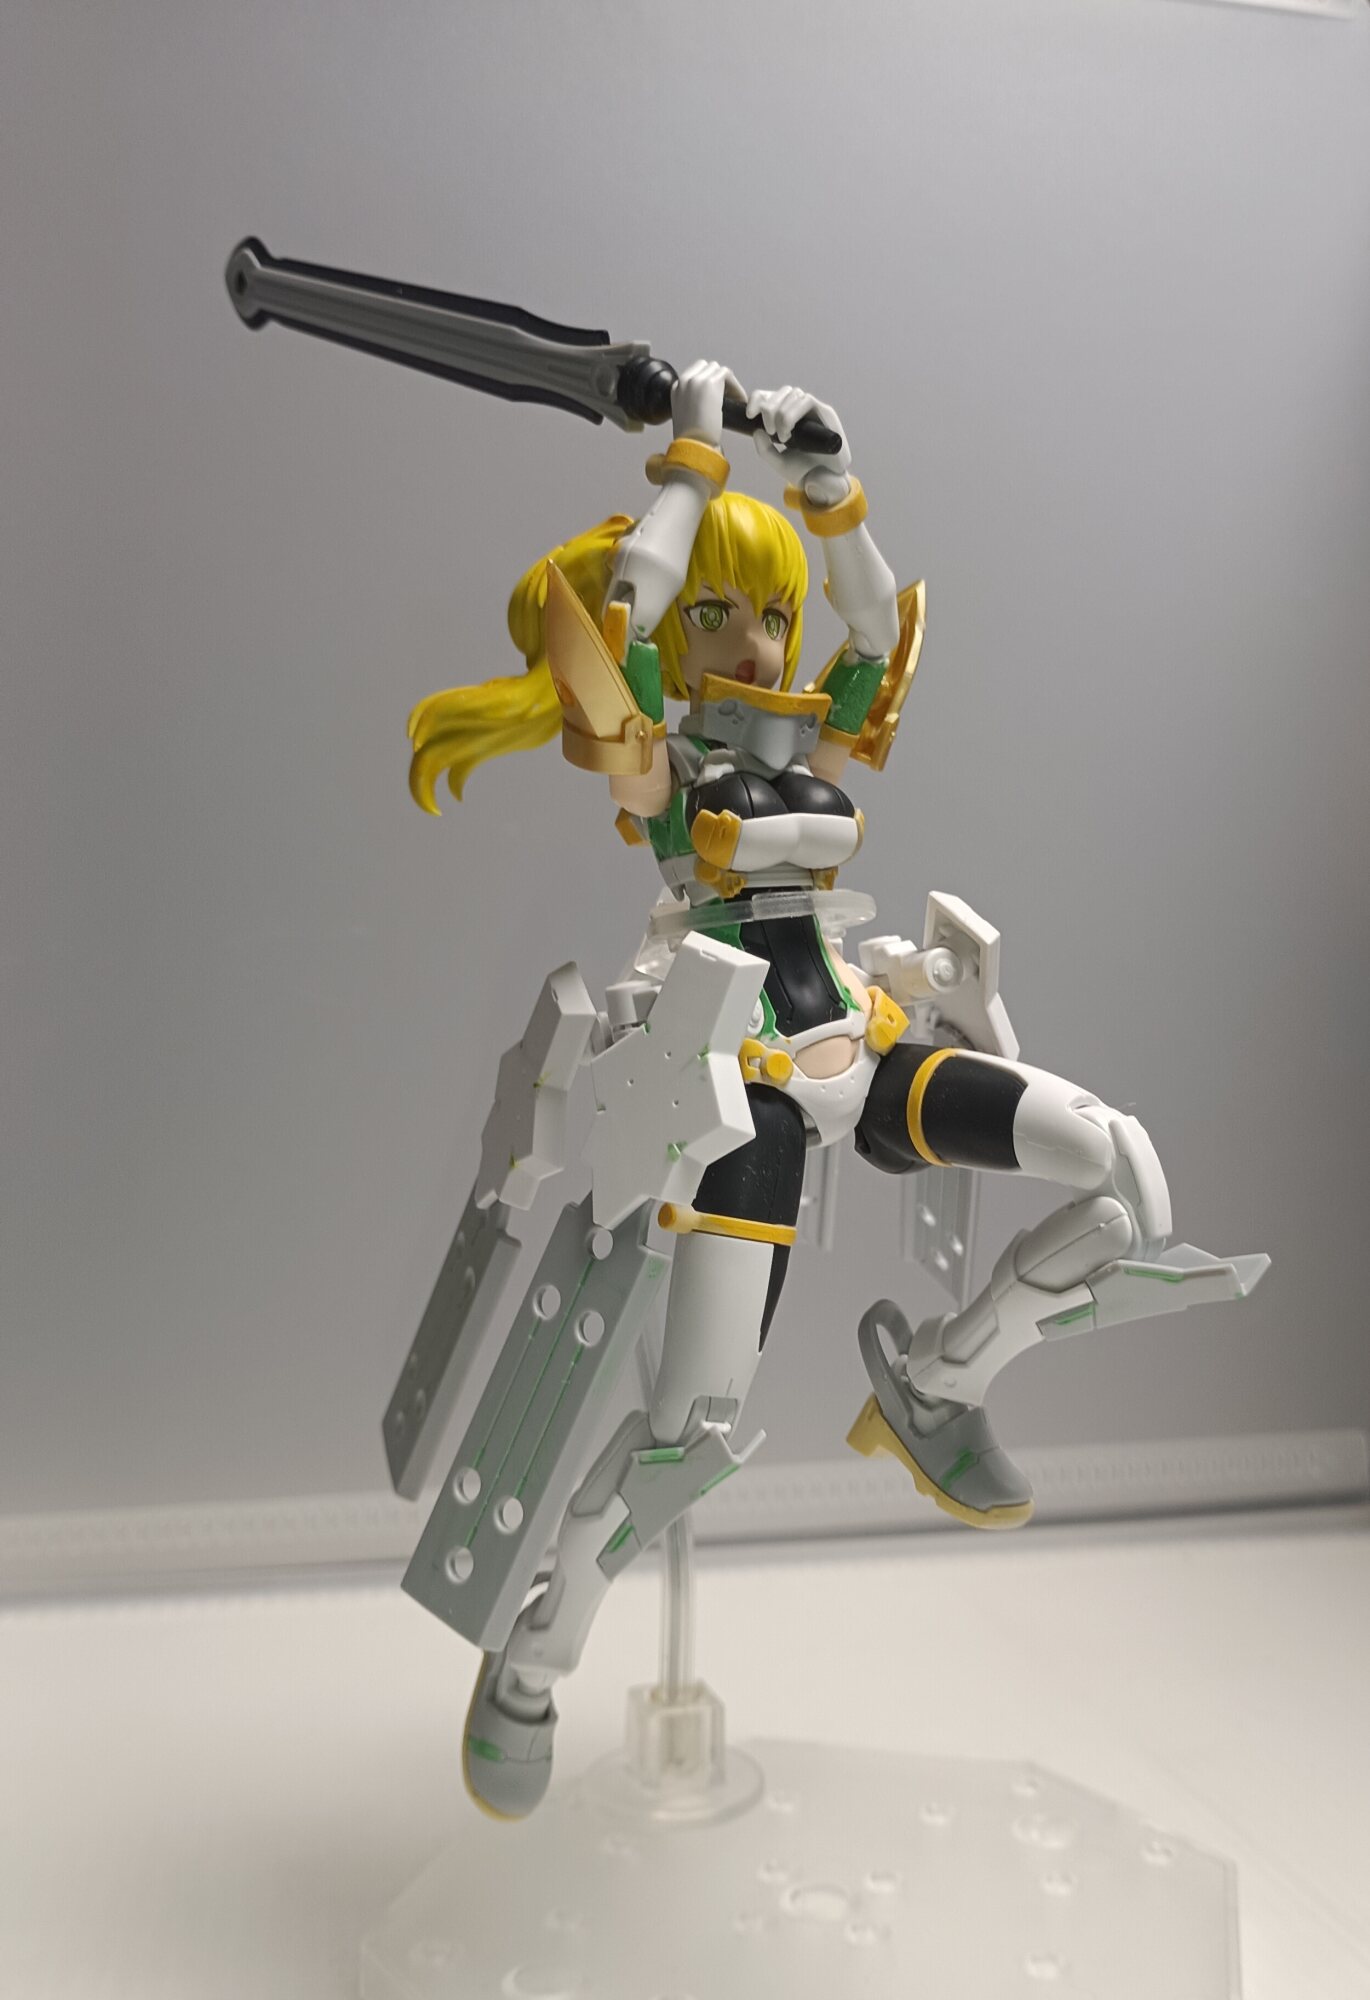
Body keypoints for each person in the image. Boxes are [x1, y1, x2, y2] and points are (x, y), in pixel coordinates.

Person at [409, 365, 1198, 1820]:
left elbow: (877, 633)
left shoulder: (805, 749)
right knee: (687, 1436)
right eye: (725, 610)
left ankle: (939, 1386)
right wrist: (692, 464)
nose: (758, 639)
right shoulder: (661, 772)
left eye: (768, 612)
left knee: (1120, 1172)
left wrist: (829, 490)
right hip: (737, 1095)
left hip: (863, 1041)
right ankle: (536, 1658)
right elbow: (622, 619)